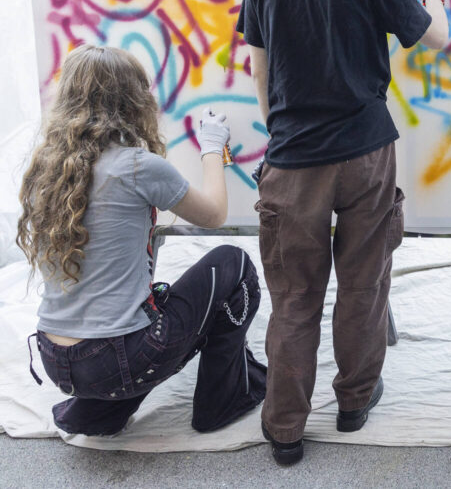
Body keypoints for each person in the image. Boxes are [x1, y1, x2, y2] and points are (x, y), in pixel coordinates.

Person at [235, 0, 450, 465]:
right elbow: (433, 36)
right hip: (365, 155)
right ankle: (355, 402)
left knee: (295, 298)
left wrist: (282, 133)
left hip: (294, 161)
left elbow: (260, 67)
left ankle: (285, 430)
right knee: (363, 284)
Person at [17, 45, 265, 437]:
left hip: (55, 359)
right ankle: (222, 402)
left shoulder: (47, 169)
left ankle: (97, 413)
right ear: (132, 100)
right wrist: (212, 147)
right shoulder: (136, 166)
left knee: (145, 311)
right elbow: (214, 214)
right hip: (115, 358)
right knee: (234, 264)